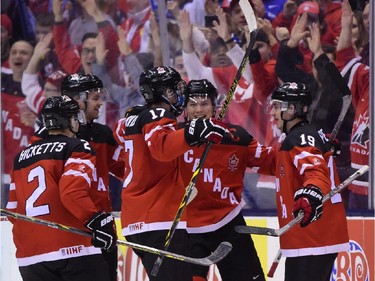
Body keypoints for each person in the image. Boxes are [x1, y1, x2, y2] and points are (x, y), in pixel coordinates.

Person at [113, 66, 228, 280]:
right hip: (158, 219)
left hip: (135, 219)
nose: (179, 94)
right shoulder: (158, 114)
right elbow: (162, 147)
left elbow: (117, 151)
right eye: (175, 89)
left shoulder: (131, 119)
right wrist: (194, 131)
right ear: (163, 93)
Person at [6, 95, 116, 281]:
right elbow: (72, 193)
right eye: (75, 118)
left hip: (30, 257)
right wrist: (96, 221)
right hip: (74, 251)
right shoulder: (77, 146)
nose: (78, 123)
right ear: (68, 121)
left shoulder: (21, 157)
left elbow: (12, 212)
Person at [31, 73, 124, 281]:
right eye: (95, 98)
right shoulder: (47, 136)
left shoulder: (102, 134)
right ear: (77, 100)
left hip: (100, 229)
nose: (101, 103)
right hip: (65, 233)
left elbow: (128, 170)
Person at [180, 79, 272, 281]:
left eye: (204, 104)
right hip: (186, 228)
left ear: (215, 106)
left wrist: (306, 150)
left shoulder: (234, 137)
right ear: (184, 108)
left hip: (228, 222)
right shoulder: (174, 137)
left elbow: (272, 162)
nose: (198, 110)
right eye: (193, 104)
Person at [267, 82, 349, 281]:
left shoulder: (300, 137)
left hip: (312, 237)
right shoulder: (305, 135)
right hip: (309, 237)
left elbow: (316, 173)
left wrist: (311, 192)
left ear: (292, 109)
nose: (273, 112)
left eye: (278, 106)